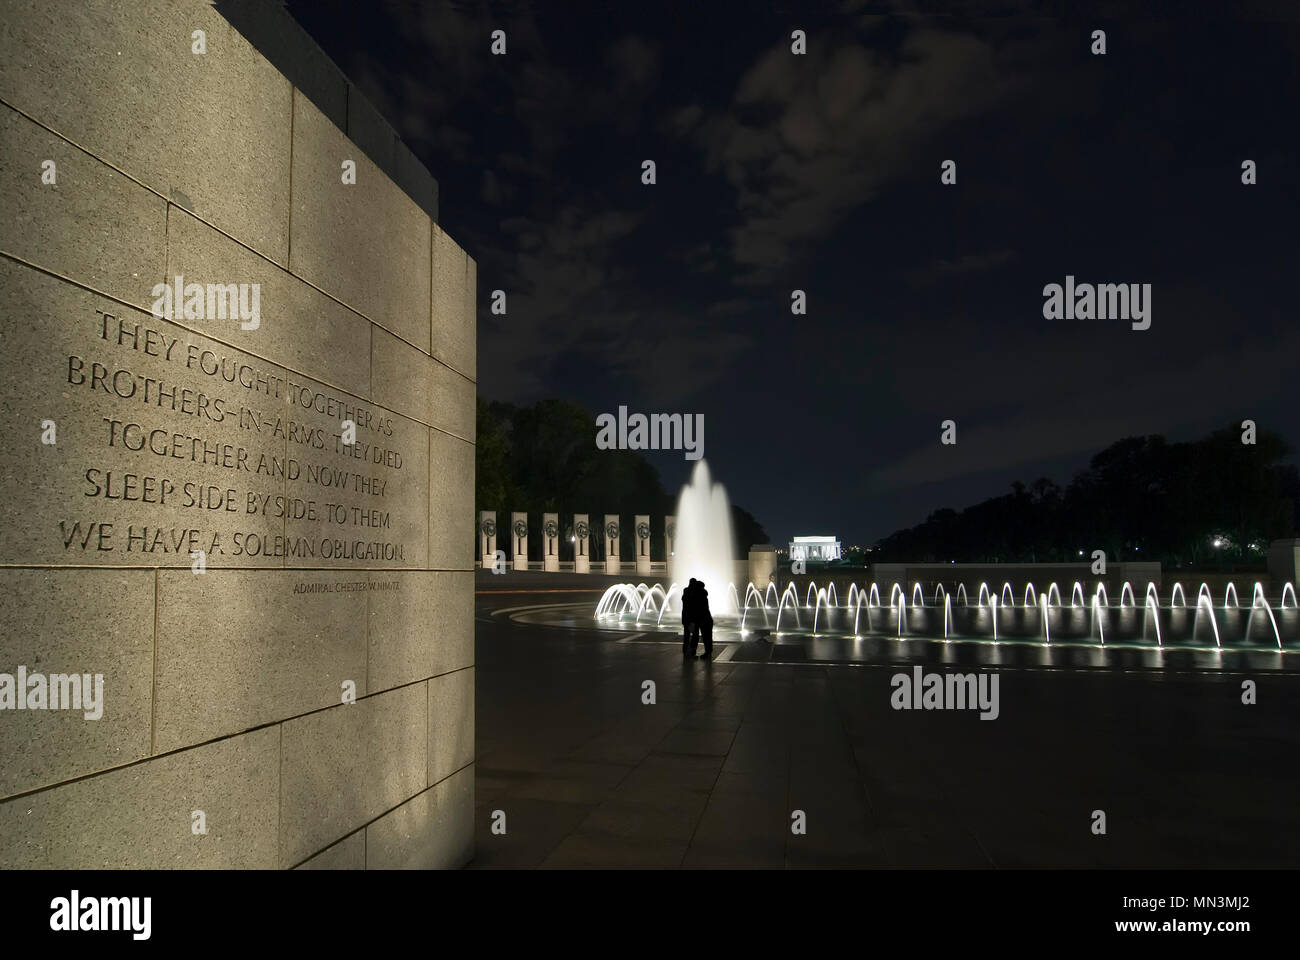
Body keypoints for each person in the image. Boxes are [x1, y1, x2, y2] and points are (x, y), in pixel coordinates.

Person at [681, 578, 700, 656]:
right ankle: (692, 650)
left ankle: (686, 650)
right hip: (693, 618)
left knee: (687, 635)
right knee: (695, 635)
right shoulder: (693, 593)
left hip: (686, 618)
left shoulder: (686, 592)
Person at [696, 582, 713, 660]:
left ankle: (708, 652)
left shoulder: (700, 597)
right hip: (708, 619)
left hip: (704, 619)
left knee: (706, 636)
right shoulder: (703, 595)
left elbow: (701, 609)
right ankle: (709, 651)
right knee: (708, 636)